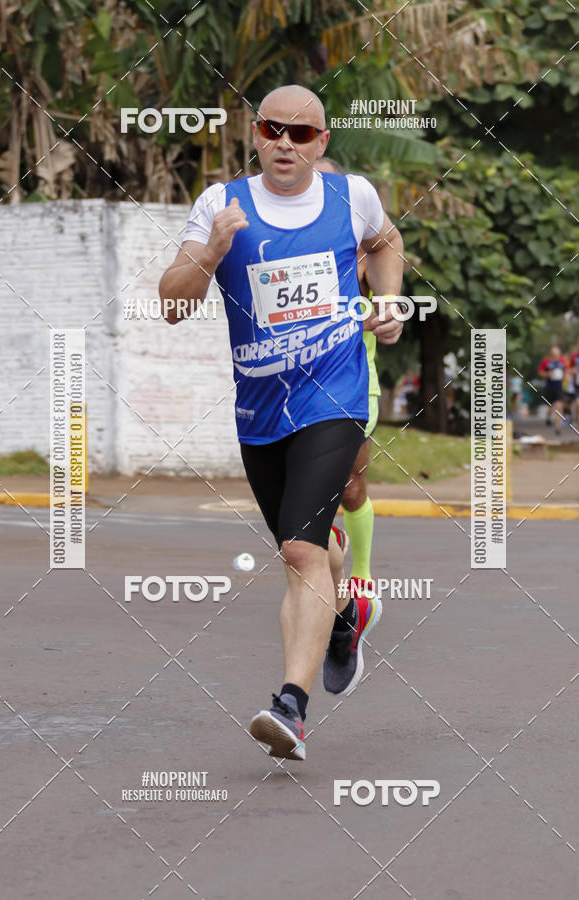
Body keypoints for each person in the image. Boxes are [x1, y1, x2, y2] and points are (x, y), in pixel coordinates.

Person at [159, 84, 404, 761]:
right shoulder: (219, 204)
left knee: (300, 552)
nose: (286, 144)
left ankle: (290, 707)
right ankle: (347, 615)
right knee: (308, 551)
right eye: (274, 130)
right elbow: (172, 304)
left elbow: (386, 242)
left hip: (336, 394)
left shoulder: (351, 196)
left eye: (302, 134)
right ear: (257, 135)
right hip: (261, 410)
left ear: (321, 143)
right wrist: (210, 253)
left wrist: (390, 302)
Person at [314, 156, 384, 600]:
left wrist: (385, 311)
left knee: (350, 483)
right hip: (294, 390)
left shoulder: (363, 248)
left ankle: (362, 576)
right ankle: (326, 541)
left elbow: (384, 305)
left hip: (354, 386)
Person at [538, 346, 566, 434]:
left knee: (559, 407)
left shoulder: (562, 361)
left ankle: (558, 428)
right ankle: (548, 417)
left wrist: (565, 376)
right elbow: (540, 372)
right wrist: (547, 374)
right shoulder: (546, 361)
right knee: (550, 407)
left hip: (559, 388)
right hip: (549, 388)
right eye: (554, 353)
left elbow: (566, 371)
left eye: (557, 353)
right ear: (551, 353)